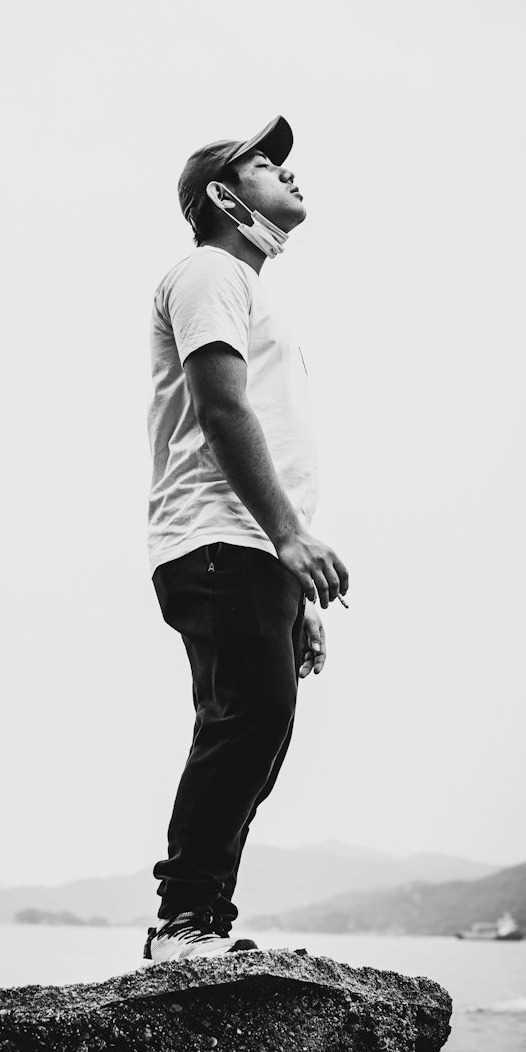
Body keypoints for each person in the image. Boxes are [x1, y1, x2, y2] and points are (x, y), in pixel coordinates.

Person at [144, 114, 349, 963]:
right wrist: (292, 539)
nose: (290, 174)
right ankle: (182, 923)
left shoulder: (253, 291)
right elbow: (222, 409)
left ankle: (201, 922)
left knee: (260, 729)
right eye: (266, 165)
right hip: (217, 536)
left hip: (253, 548)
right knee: (247, 718)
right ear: (225, 197)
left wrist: (292, 585)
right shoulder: (206, 272)